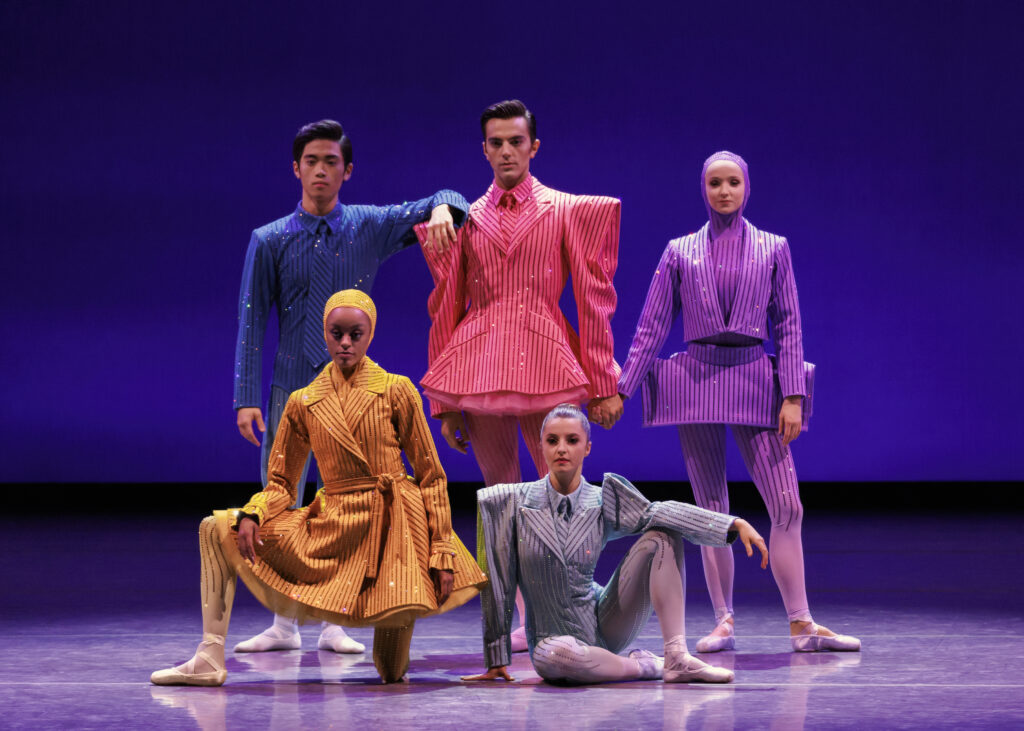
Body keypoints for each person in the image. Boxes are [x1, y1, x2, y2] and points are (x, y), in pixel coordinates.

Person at [153, 290, 487, 686]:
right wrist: (255, 511)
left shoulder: (396, 389)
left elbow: (431, 475)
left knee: (392, 671)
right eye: (337, 333)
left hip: (395, 529)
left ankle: (393, 634)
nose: (345, 342)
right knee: (214, 527)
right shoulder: (304, 400)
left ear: (371, 334)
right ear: (324, 335)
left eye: (355, 333)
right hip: (335, 522)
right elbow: (281, 482)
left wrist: (443, 548)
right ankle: (209, 656)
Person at [233, 120, 469, 654]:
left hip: (355, 394)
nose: (321, 169)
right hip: (292, 387)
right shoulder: (269, 239)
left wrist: (439, 210)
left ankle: (337, 616)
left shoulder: (368, 225)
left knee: (348, 503)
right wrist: (247, 396)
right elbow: (252, 319)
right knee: (283, 498)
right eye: (311, 160)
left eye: (331, 161)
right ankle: (283, 621)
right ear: (296, 168)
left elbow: (453, 199)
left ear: (347, 170)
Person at [617, 151, 860, 653]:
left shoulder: (774, 247)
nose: (724, 191)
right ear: (702, 189)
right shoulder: (680, 250)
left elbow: (789, 324)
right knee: (711, 505)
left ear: (747, 187)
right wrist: (622, 389)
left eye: (732, 182)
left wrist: (792, 394)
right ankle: (724, 620)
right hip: (697, 378)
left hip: (755, 377)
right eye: (714, 183)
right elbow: (652, 327)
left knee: (786, 505)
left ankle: (802, 624)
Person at [416, 100, 623, 649]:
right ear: (484, 150)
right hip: (479, 364)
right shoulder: (468, 218)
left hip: (545, 356)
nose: (506, 151)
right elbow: (447, 304)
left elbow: (593, 297)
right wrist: (445, 404)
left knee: (559, 493)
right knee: (500, 498)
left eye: (516, 141)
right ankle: (504, 617)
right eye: (496, 143)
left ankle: (564, 609)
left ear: (534, 146)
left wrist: (602, 381)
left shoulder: (561, 209)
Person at [464, 404, 768, 685]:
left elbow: (656, 510)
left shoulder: (602, 499)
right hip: (552, 642)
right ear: (541, 446)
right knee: (560, 656)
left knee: (662, 535)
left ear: (587, 447)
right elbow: (498, 584)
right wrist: (496, 658)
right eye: (552, 440)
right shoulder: (512, 502)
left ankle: (676, 657)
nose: (561, 449)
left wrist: (732, 523)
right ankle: (644, 667)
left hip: (604, 623)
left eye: (572, 440)